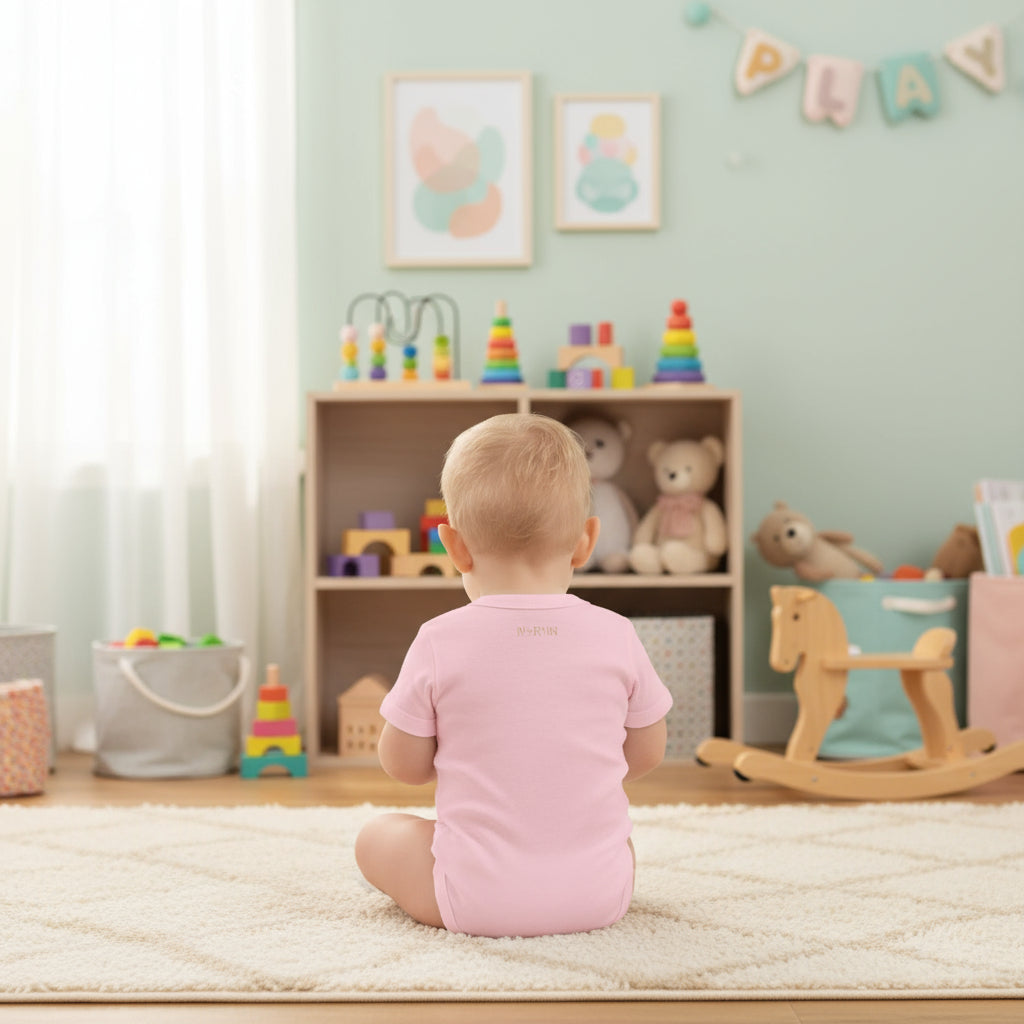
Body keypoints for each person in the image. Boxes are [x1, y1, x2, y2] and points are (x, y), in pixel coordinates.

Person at [354, 413, 672, 938]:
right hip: (599, 897)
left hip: (472, 900)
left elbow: (404, 766)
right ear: (585, 541)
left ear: (453, 546)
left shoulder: (439, 639)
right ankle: (574, 875)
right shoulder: (616, 634)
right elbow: (646, 753)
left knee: (376, 836)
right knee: (613, 838)